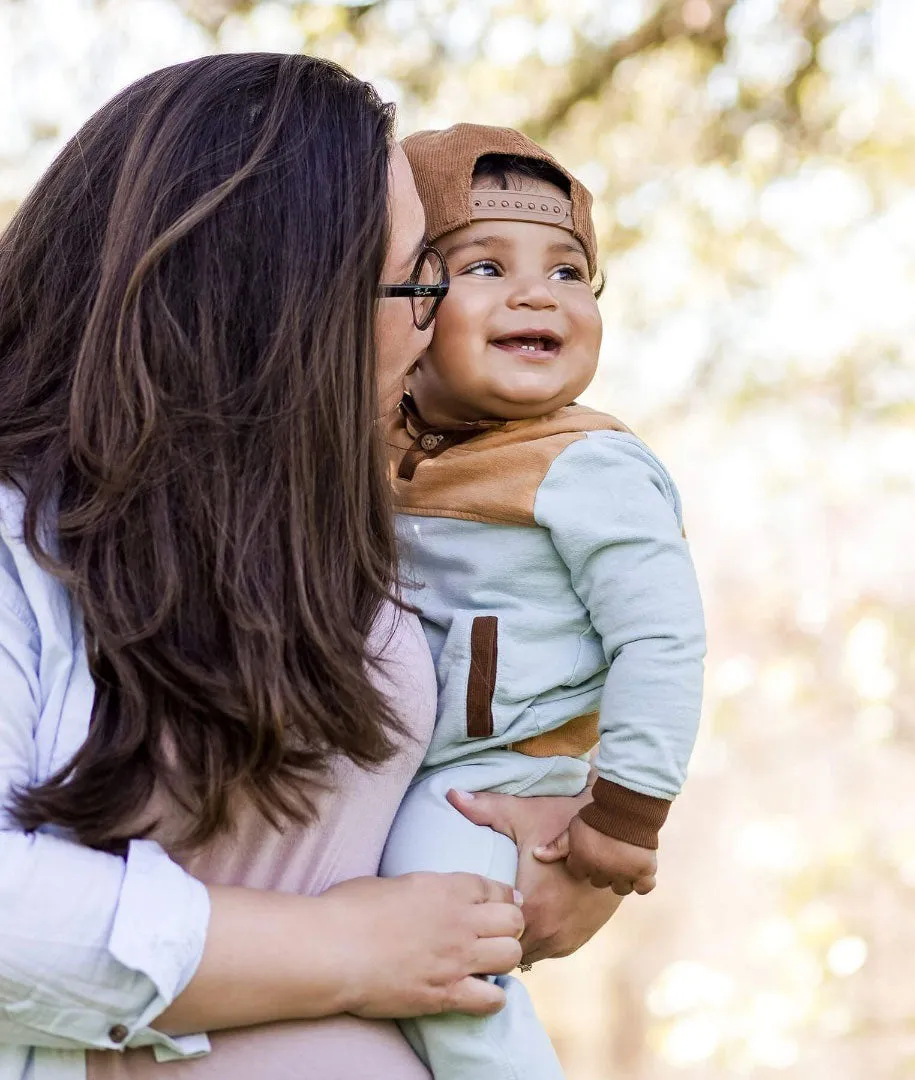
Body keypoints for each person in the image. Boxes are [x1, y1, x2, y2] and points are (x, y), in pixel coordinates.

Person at [0, 56, 620, 1080]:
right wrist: (344, 953)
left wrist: (557, 841)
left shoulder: (341, 527)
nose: (438, 331)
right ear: (284, 307)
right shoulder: (25, 537)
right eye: (424, 280)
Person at [379, 124, 708, 1079]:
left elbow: (662, 638)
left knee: (441, 953)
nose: (537, 293)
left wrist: (623, 817)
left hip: (507, 778)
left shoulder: (584, 464)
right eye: (484, 264)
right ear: (408, 305)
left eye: (570, 273)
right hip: (427, 771)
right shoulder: (383, 446)